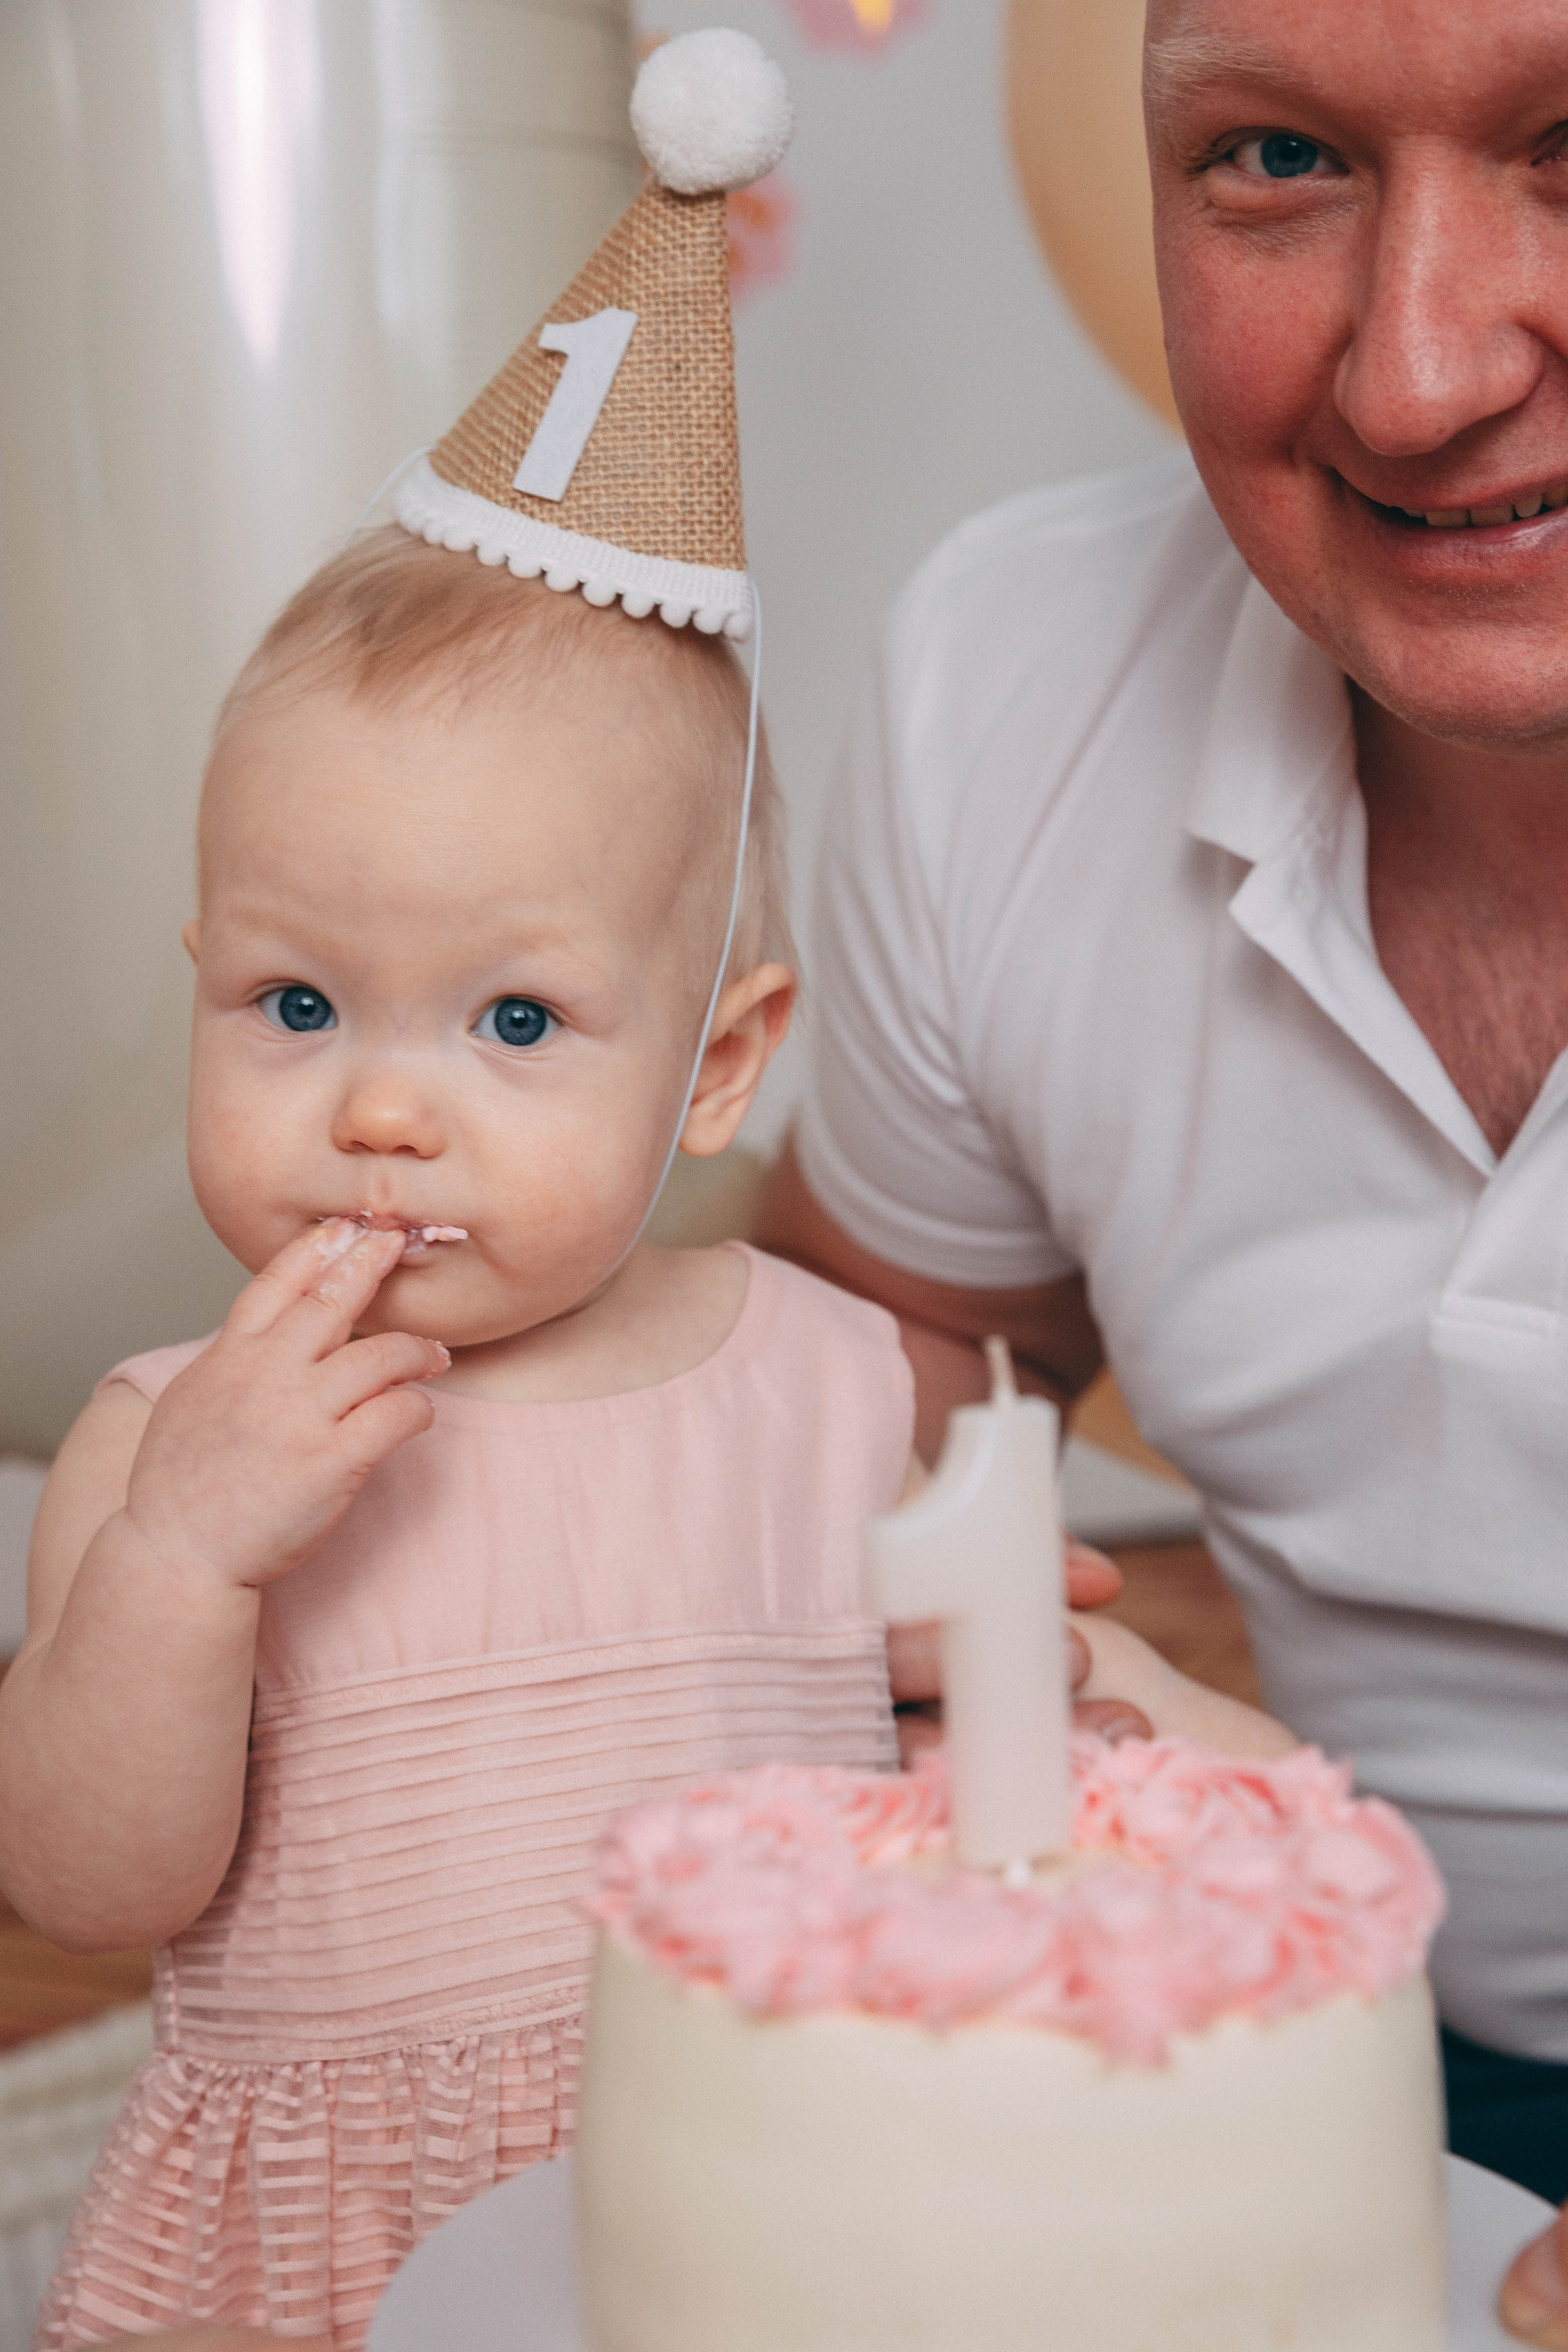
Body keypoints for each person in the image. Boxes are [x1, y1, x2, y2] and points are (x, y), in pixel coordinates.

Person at [0, 34, 1276, 2346]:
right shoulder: (158, 1433)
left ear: (724, 1063)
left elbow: (886, 1724)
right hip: (327, 2241)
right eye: (295, 1007)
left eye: (509, 1027)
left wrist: (994, 1663)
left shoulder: (807, 1375)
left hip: (742, 2196)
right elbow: (91, 1872)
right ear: (198, 981)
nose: (381, 1114)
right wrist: (182, 1559)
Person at [755, 0, 1568, 2340]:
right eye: (1279, 157)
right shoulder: (1002, 686)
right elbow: (895, 1334)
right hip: (1329, 2053)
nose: (1411, 375)